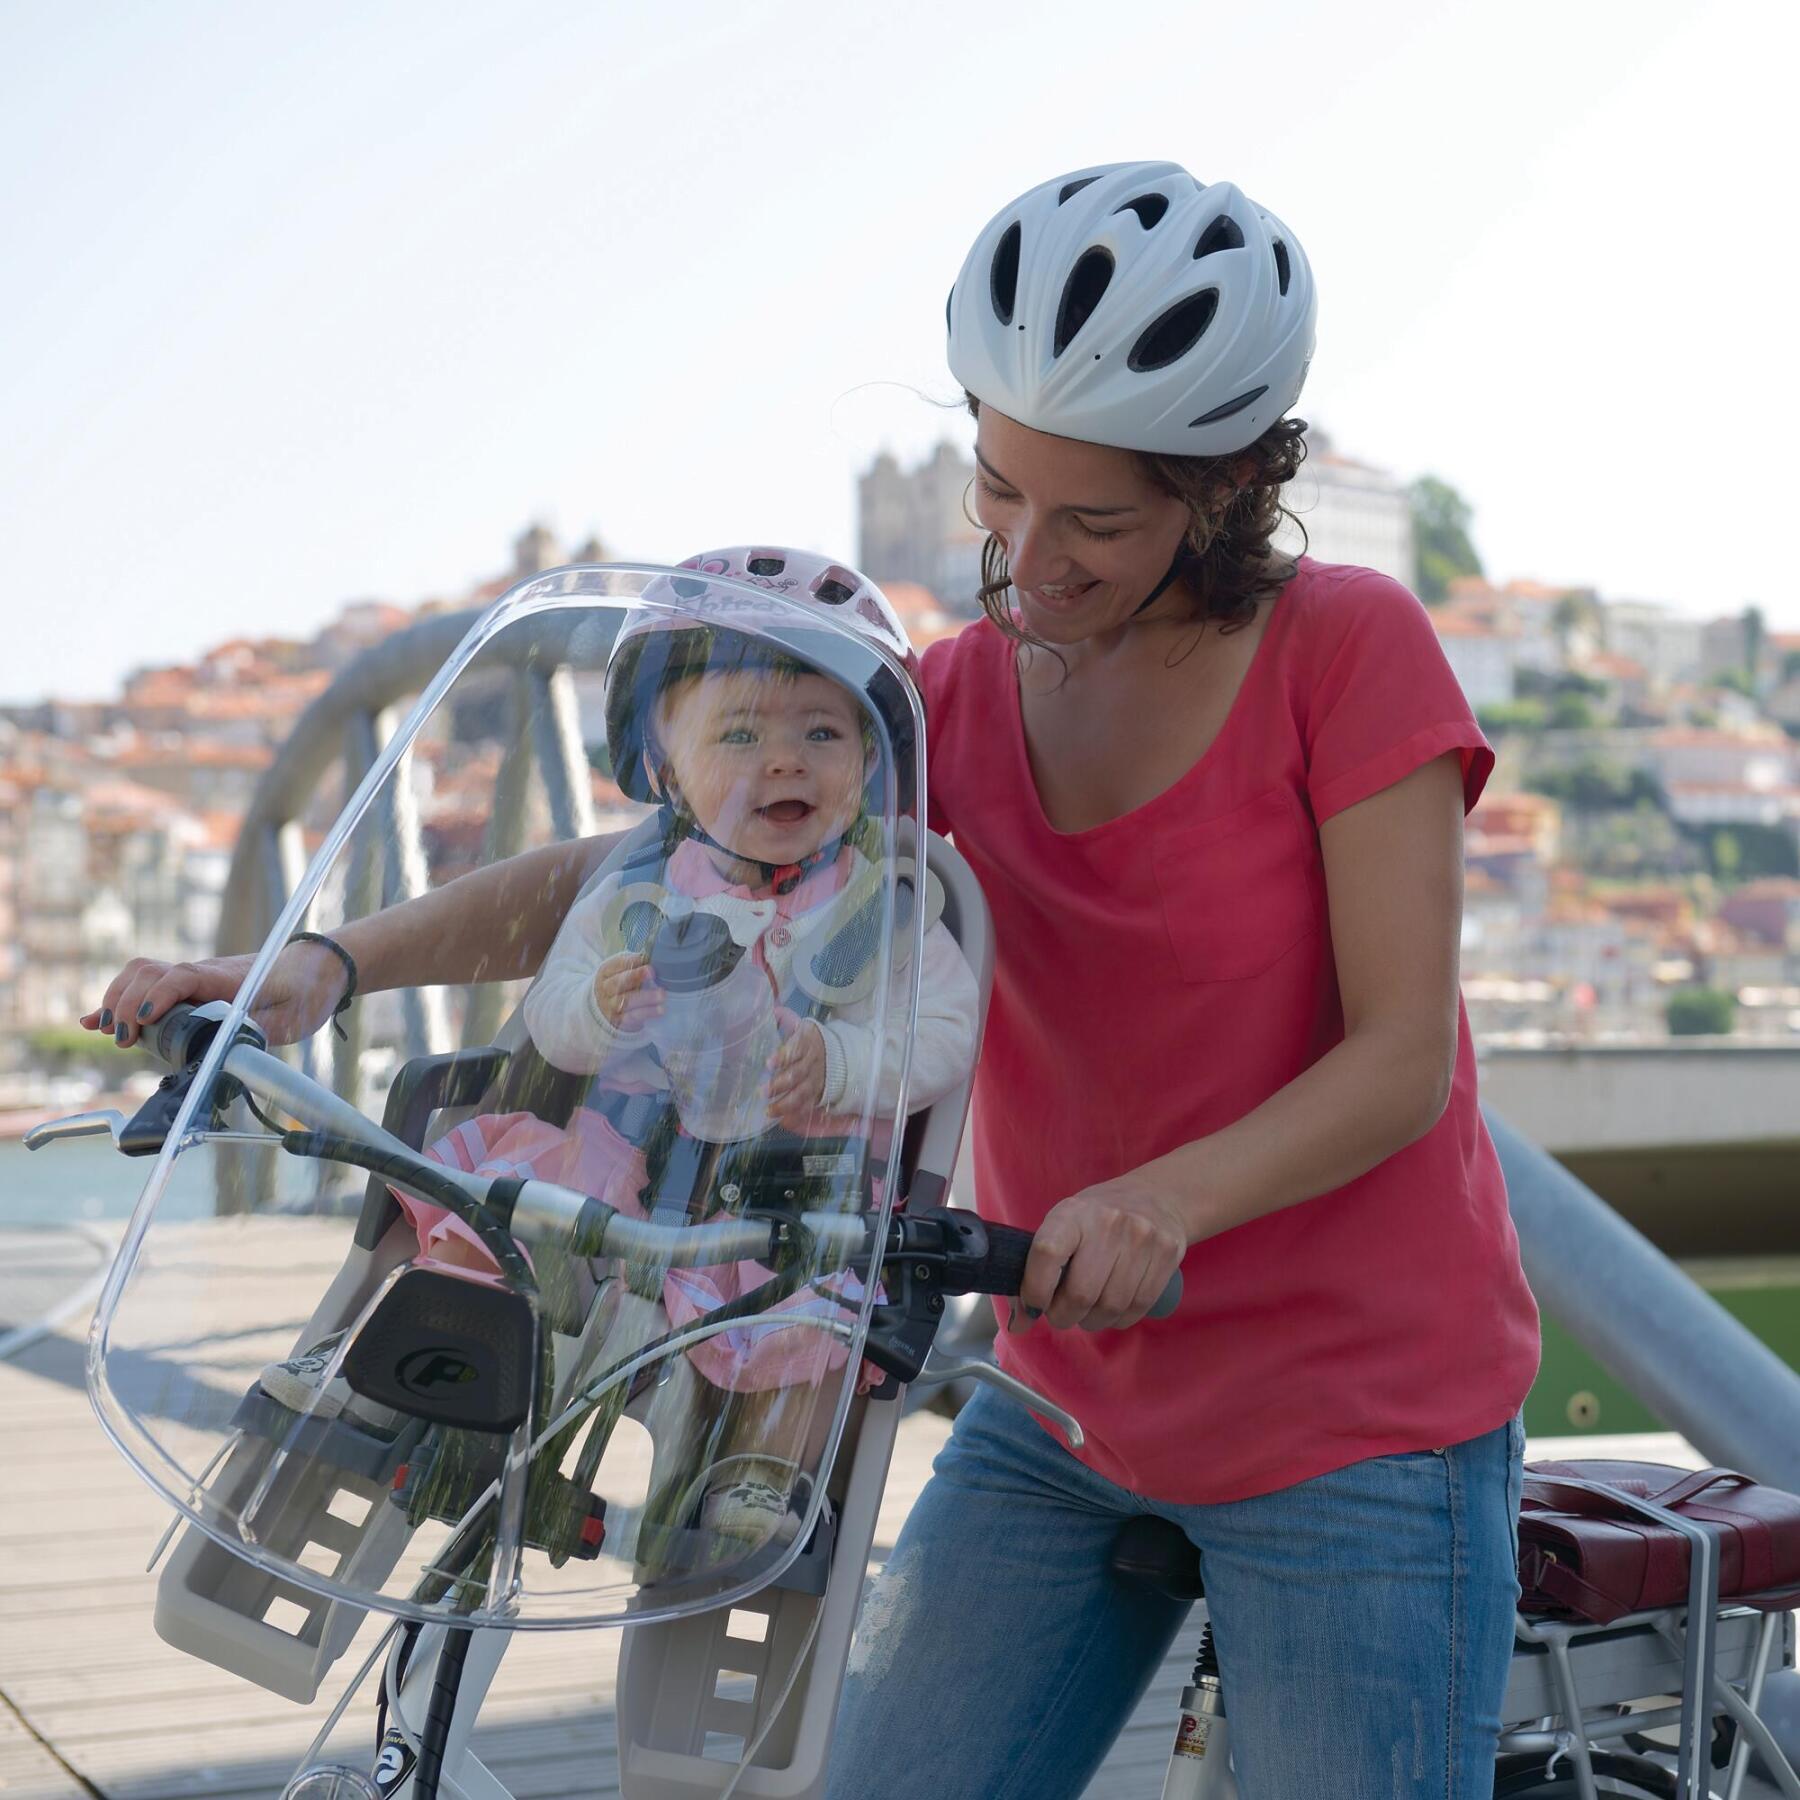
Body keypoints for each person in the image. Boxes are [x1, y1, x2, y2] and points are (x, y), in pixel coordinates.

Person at [89, 163, 1541, 1797]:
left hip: (1356, 1413)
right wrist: (328, 963)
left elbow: (1403, 1055)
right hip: (1067, 1397)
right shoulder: (949, 707)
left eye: (1098, 522)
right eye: (1001, 490)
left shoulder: (1344, 650)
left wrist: (1162, 1203)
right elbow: (636, 867)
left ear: (1226, 488)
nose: (1029, 556)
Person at [261, 547, 981, 1554]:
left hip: (781, 1186)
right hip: (620, 1159)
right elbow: (554, 1011)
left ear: (869, 762)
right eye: (739, 734)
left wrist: (848, 1061)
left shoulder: (880, 909)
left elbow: (946, 1029)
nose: (785, 760)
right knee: (499, 1197)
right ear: (666, 769)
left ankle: (762, 1471)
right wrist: (595, 1007)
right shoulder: (641, 885)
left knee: (819, 1312)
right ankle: (386, 1361)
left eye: (824, 732)